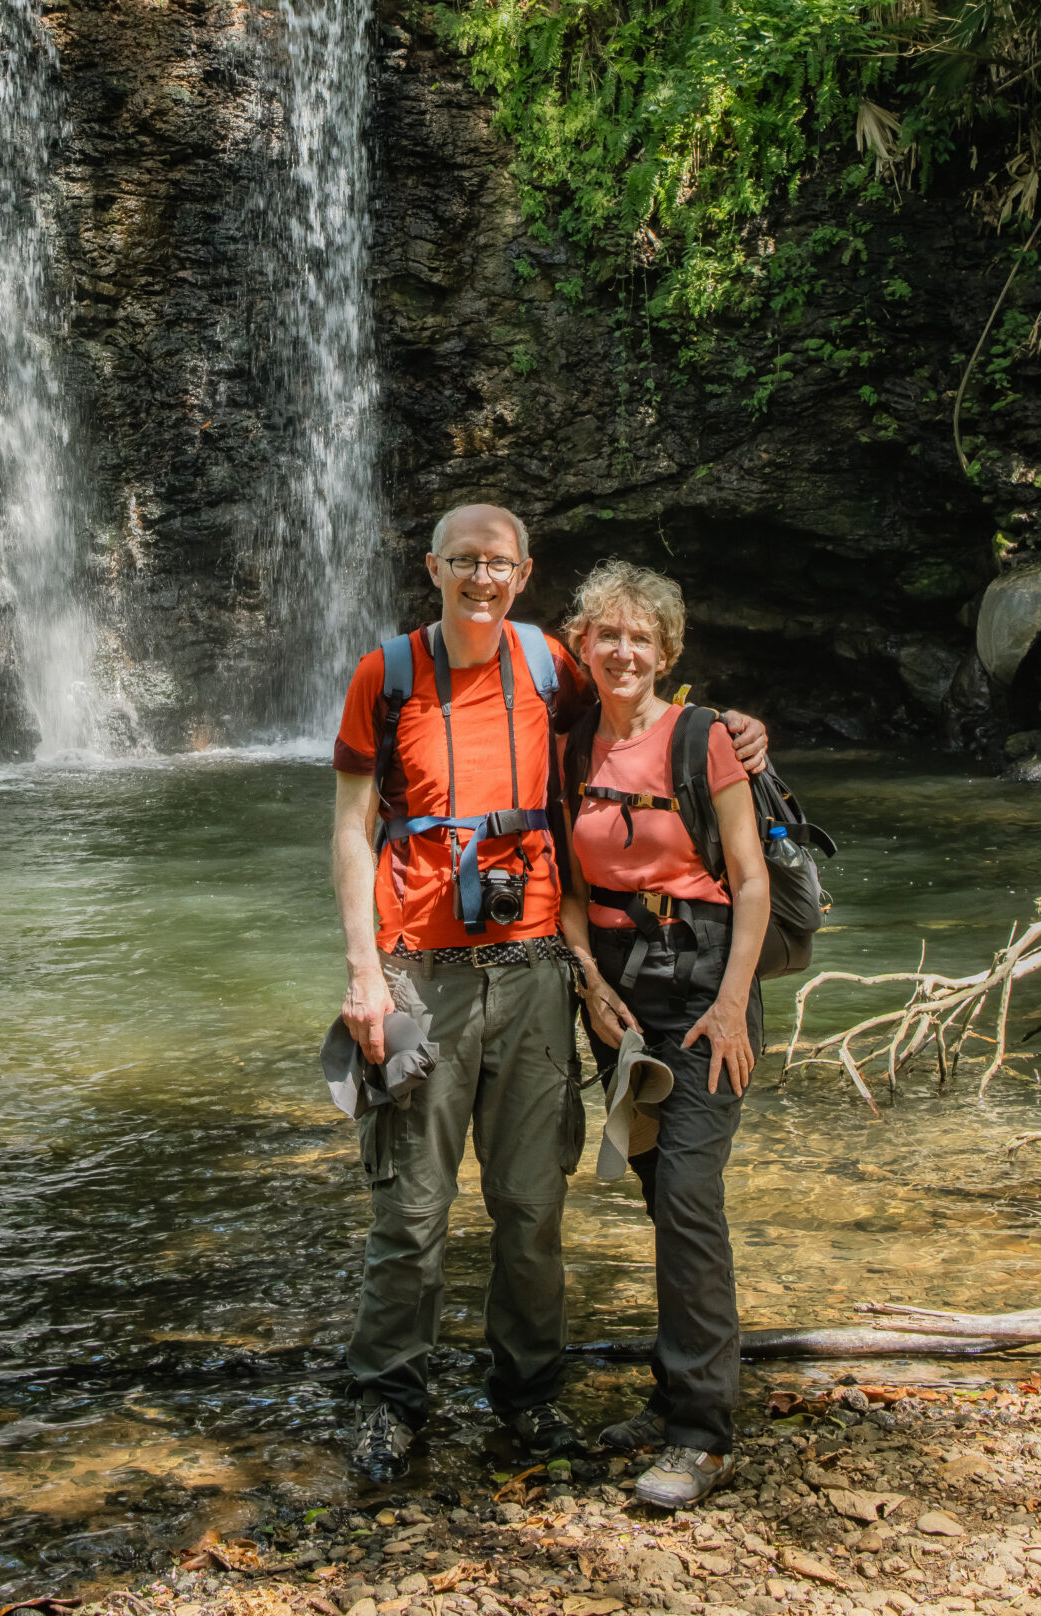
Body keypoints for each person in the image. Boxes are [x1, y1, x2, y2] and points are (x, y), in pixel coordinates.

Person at [331, 505, 768, 1487]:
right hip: (419, 974)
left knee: (530, 1206)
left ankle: (528, 1397)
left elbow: (643, 713)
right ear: (432, 565)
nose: (480, 579)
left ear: (523, 573)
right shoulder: (384, 675)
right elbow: (352, 827)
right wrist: (363, 971)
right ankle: (388, 1400)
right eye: (463, 562)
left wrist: (745, 730)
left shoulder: (547, 669)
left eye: (497, 563)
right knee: (409, 1206)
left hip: (532, 976)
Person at [558, 557, 771, 1513]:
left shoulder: (703, 740)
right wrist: (592, 986)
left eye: (641, 637)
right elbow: (565, 891)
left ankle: (701, 1432)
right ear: (582, 644)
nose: (624, 650)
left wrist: (732, 1004)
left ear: (666, 651)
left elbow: (751, 878)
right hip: (620, 999)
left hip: (705, 990)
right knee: (657, 1192)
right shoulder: (567, 747)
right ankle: (676, 1386)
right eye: (608, 634)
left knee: (687, 1193)